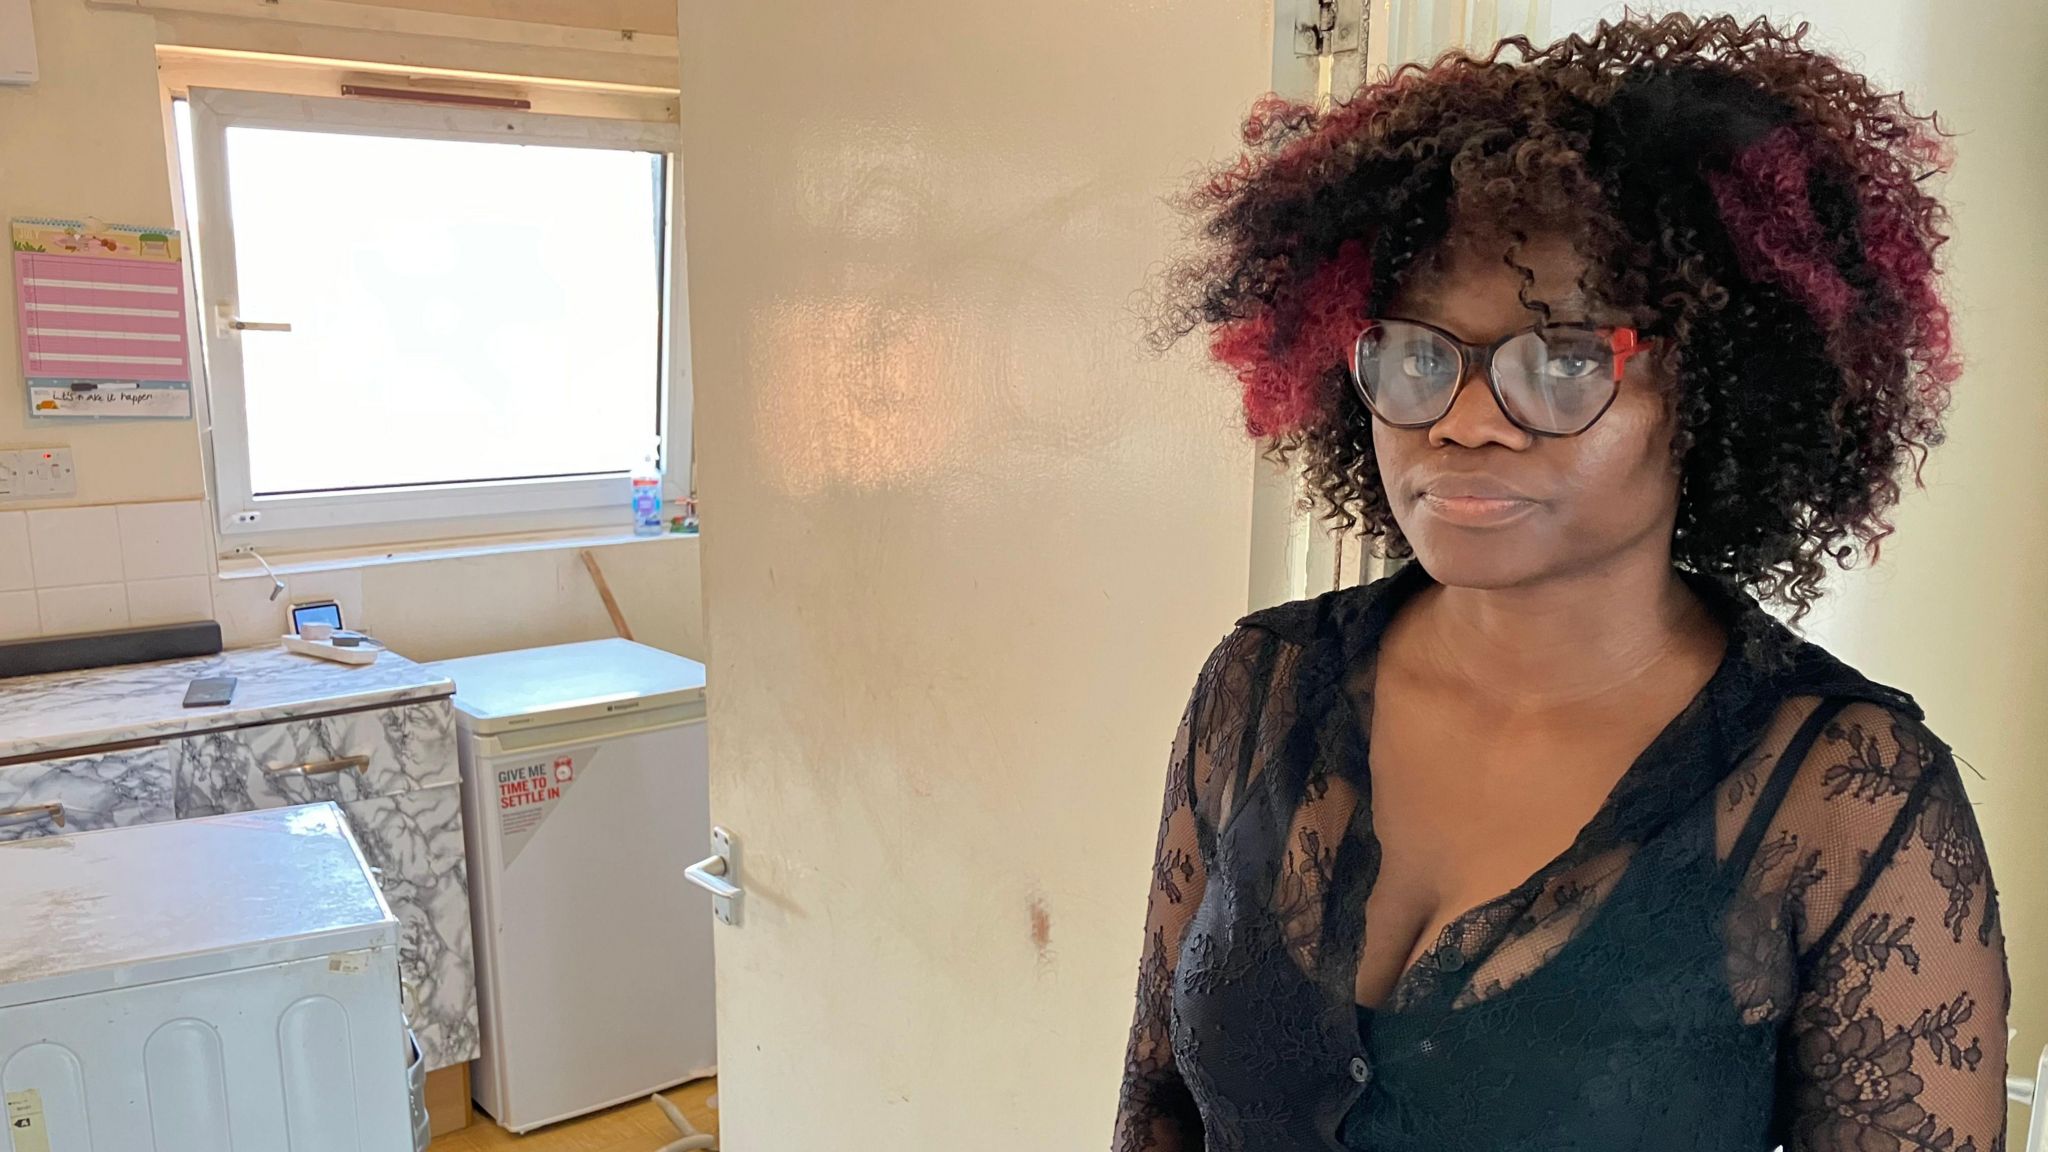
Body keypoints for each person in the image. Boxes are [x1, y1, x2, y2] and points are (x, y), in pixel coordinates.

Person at [1115, 13, 2007, 1152]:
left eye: (1566, 358)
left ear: (1715, 390)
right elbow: (1155, 1112)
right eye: (1418, 352)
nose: (1465, 422)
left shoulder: (1846, 802)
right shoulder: (1259, 688)